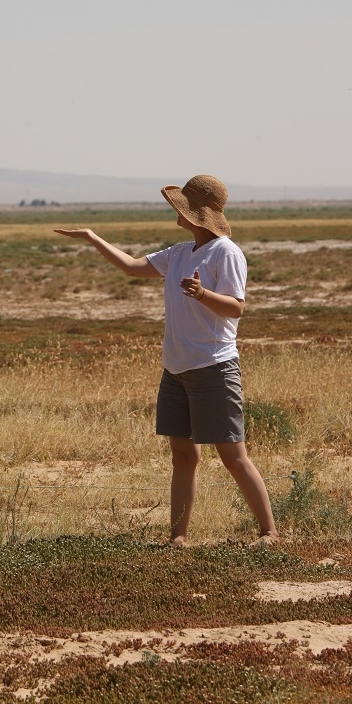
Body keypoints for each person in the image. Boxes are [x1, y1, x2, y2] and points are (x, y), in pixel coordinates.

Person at [55, 175, 278, 546]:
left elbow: (236, 308)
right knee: (183, 456)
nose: (177, 213)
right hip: (175, 369)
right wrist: (94, 238)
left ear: (198, 214)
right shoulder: (178, 253)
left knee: (232, 455)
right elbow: (131, 266)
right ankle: (178, 536)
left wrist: (203, 293)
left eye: (183, 208)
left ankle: (270, 532)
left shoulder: (226, 252)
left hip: (213, 366)